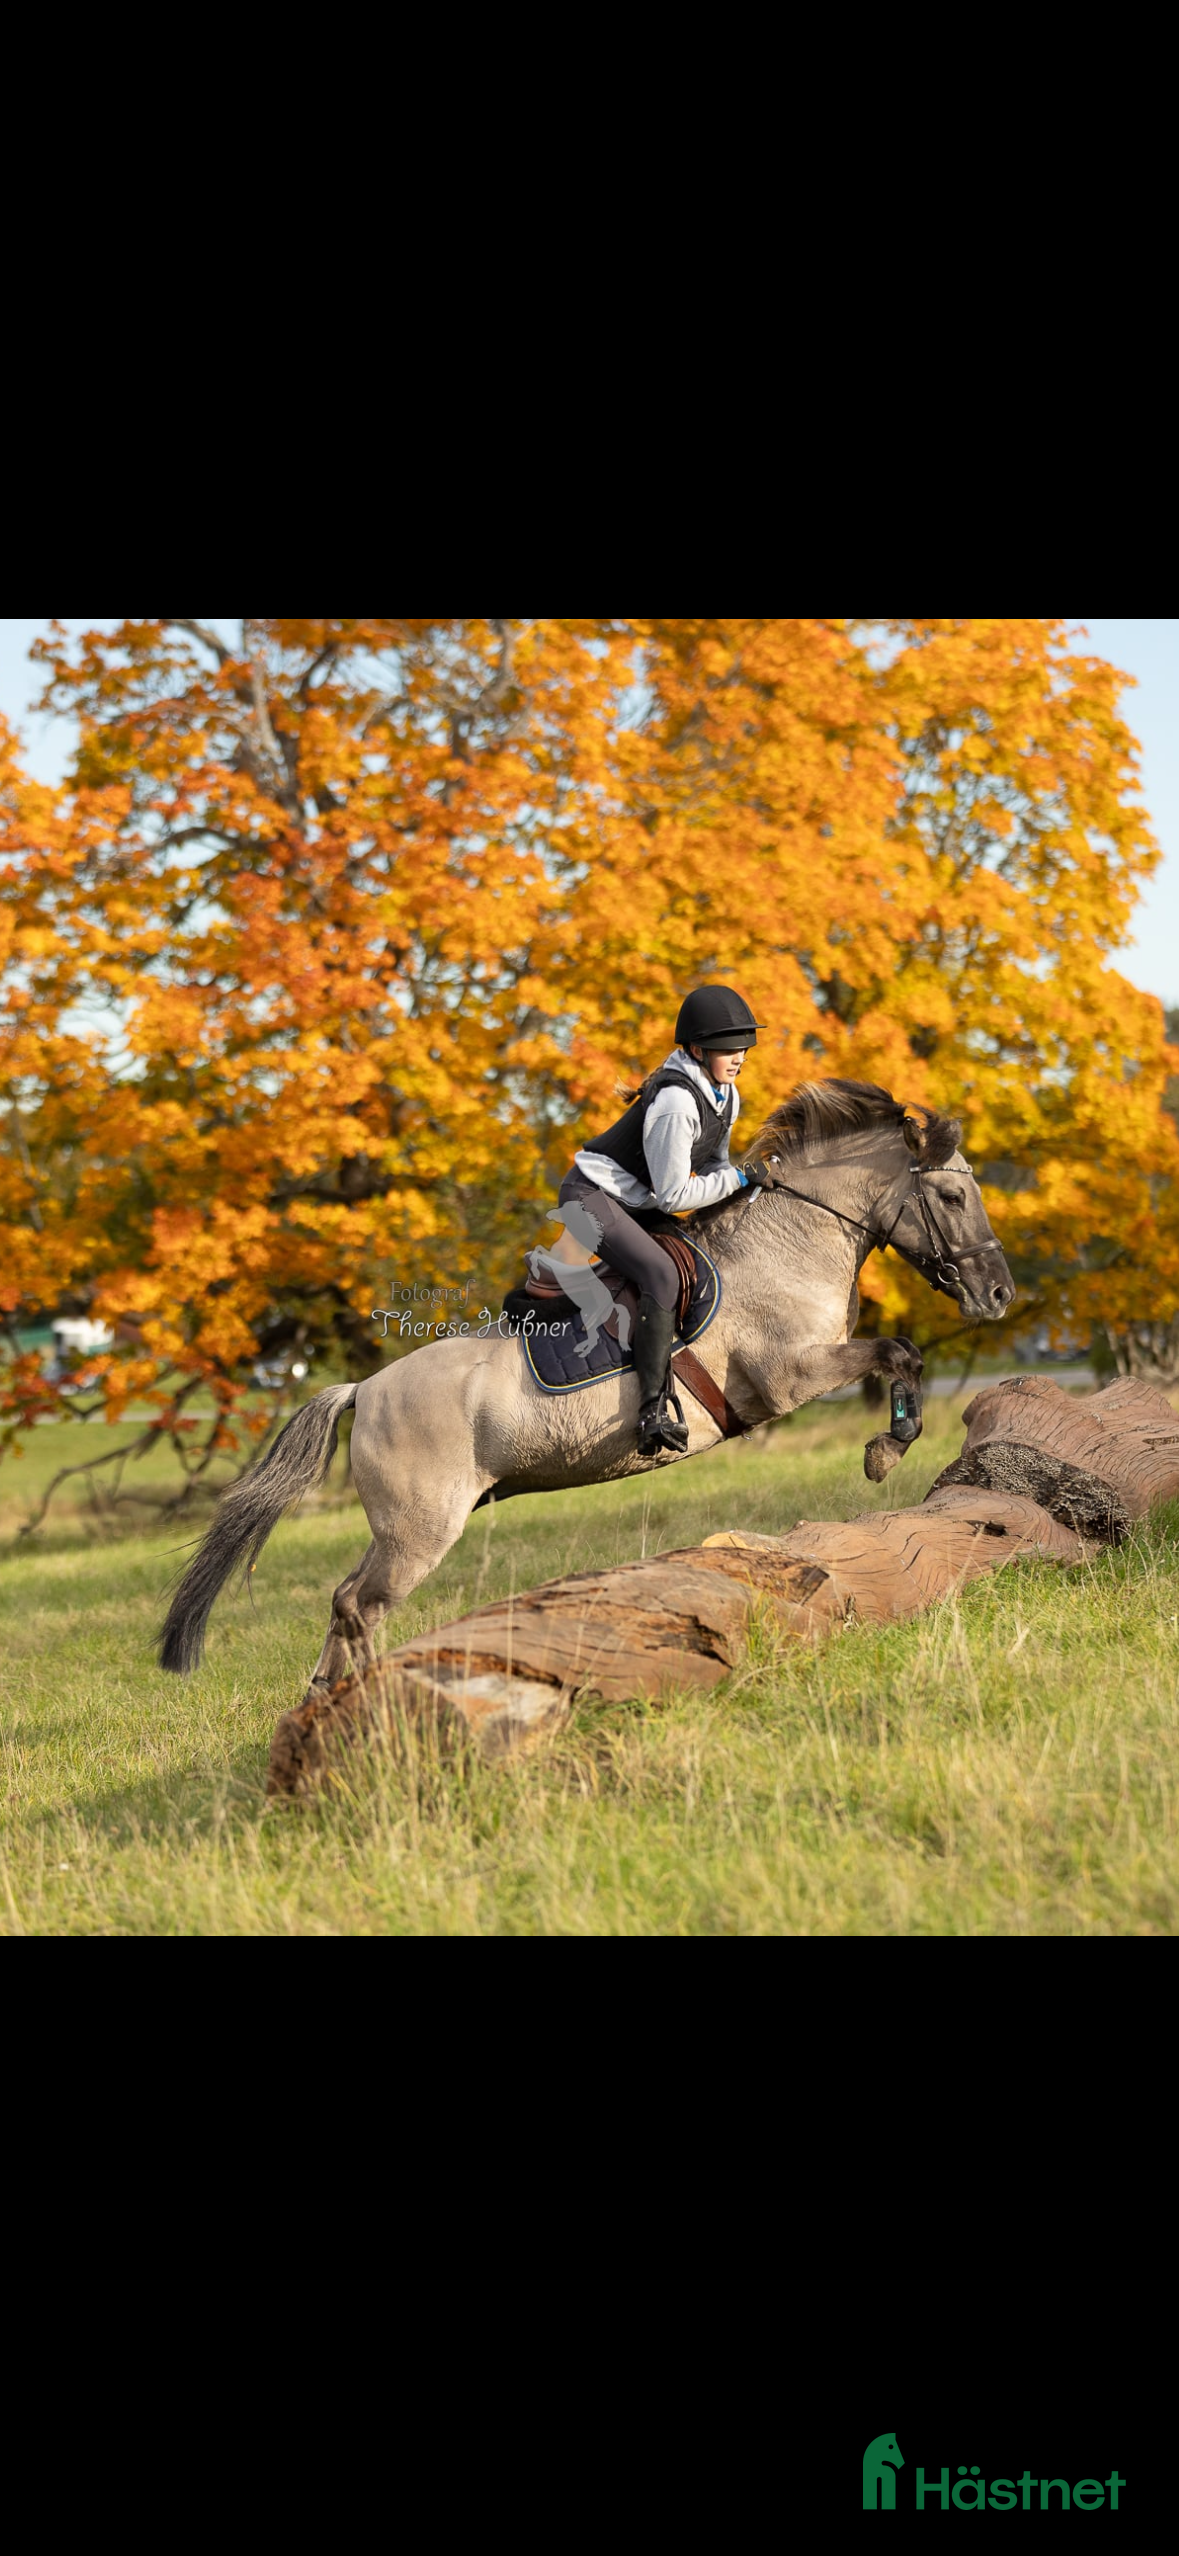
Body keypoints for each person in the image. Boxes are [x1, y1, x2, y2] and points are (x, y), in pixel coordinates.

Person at [556, 985, 777, 1456]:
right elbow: (674, 1195)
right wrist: (739, 1177)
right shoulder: (677, 1103)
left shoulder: (726, 1095)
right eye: (728, 1050)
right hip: (589, 1197)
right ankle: (651, 1412)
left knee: (701, 1259)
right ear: (698, 1051)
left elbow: (714, 1165)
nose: (739, 1058)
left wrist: (742, 1185)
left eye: (743, 1049)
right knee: (661, 1274)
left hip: (635, 1201)